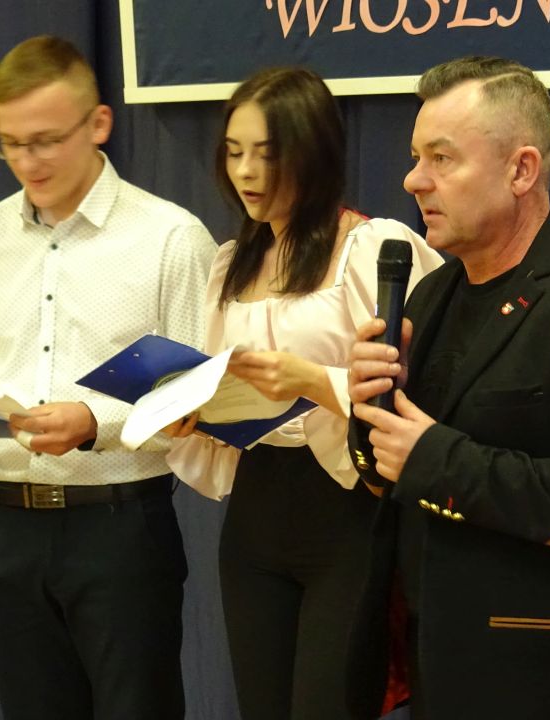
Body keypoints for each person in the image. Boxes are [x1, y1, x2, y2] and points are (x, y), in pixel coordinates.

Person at [0, 36, 216, 720]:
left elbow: (196, 398)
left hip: (120, 528)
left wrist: (95, 423)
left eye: (45, 141)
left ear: (98, 124)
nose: (27, 162)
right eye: (9, 143)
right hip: (7, 528)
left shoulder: (171, 238)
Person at [345, 56, 550, 720]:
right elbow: (392, 477)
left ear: (521, 170)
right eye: (415, 158)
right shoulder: (430, 296)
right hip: (439, 670)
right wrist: (368, 409)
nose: (413, 180)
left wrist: (436, 460)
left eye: (442, 158)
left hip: (544, 682)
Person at [164, 67, 440, 720]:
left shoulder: (373, 246)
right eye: (234, 152)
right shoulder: (230, 263)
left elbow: (429, 388)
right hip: (256, 512)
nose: (246, 171)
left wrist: (313, 381)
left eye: (267, 152)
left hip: (346, 506)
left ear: (313, 150)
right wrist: (189, 413)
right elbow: (219, 382)